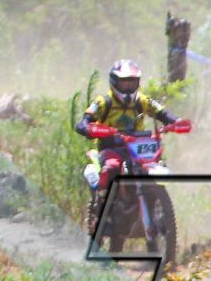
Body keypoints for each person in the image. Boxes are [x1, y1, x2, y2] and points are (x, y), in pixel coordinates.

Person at [74, 59, 180, 195]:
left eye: (132, 83)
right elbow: (84, 121)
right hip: (111, 147)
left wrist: (177, 122)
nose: (128, 88)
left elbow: (162, 113)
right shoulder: (103, 102)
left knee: (155, 164)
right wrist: (87, 128)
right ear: (114, 82)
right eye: (124, 83)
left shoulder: (142, 100)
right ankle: (101, 198)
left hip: (137, 148)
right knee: (111, 167)